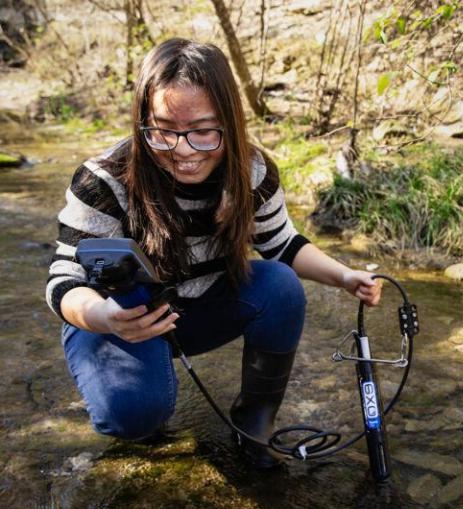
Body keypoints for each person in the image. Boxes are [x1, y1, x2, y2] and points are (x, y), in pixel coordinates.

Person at [45, 38, 381, 468]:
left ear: (231, 122)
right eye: (164, 130)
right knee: (134, 419)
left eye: (204, 131)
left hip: (196, 310)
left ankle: (253, 424)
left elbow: (283, 245)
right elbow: (64, 278)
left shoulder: (253, 171)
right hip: (114, 318)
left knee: (280, 286)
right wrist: (102, 317)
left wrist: (345, 277)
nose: (183, 150)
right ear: (142, 121)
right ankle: (139, 393)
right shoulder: (105, 180)